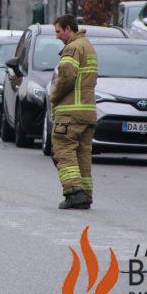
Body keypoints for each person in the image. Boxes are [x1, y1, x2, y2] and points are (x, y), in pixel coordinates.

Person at [50, 14, 97, 210]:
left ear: (69, 29)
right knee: (82, 153)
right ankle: (85, 194)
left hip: (70, 112)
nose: (57, 36)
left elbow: (67, 76)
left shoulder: (72, 48)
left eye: (59, 31)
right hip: (87, 112)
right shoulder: (88, 46)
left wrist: (54, 96)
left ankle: (73, 192)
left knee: (64, 148)